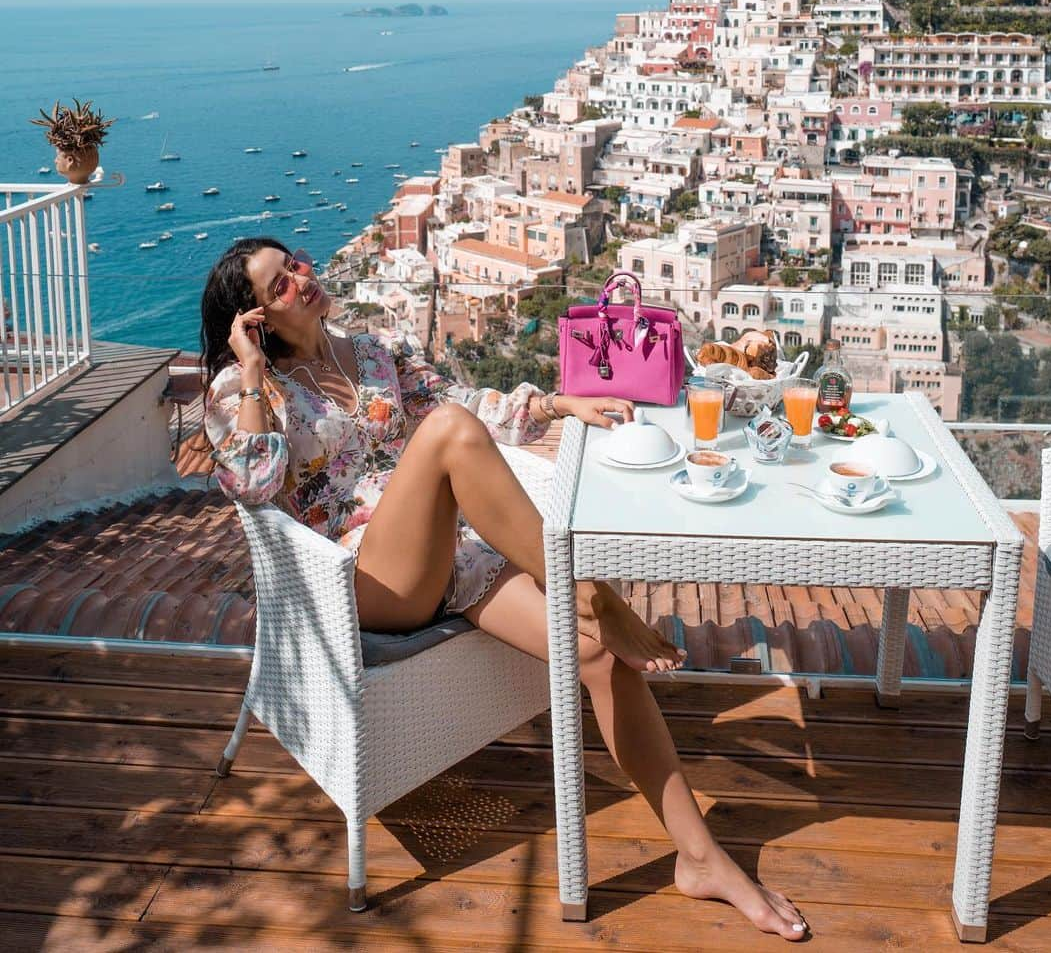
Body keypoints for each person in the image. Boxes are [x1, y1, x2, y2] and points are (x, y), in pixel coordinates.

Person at [201, 238, 806, 941]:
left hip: (449, 560)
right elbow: (250, 486)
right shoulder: (244, 390)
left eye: (297, 264)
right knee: (449, 436)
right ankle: (588, 590)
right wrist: (247, 372)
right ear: (256, 320)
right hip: (360, 579)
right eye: (278, 287)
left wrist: (556, 402)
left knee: (598, 658)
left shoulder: (369, 351)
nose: (301, 281)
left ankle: (702, 858)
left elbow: (462, 404)